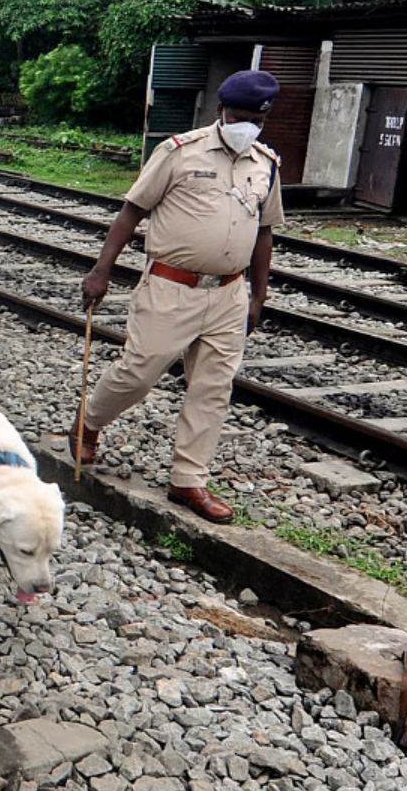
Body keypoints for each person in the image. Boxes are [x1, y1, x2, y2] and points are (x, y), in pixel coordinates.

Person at [71, 69, 284, 523]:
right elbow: (132, 211)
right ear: (220, 112)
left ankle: (189, 479)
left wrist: (258, 297)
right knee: (139, 372)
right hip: (170, 286)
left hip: (228, 293)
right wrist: (101, 270)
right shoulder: (178, 152)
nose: (247, 127)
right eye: (239, 117)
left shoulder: (265, 163)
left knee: (213, 387)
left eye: (256, 121)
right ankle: (87, 423)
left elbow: (264, 233)